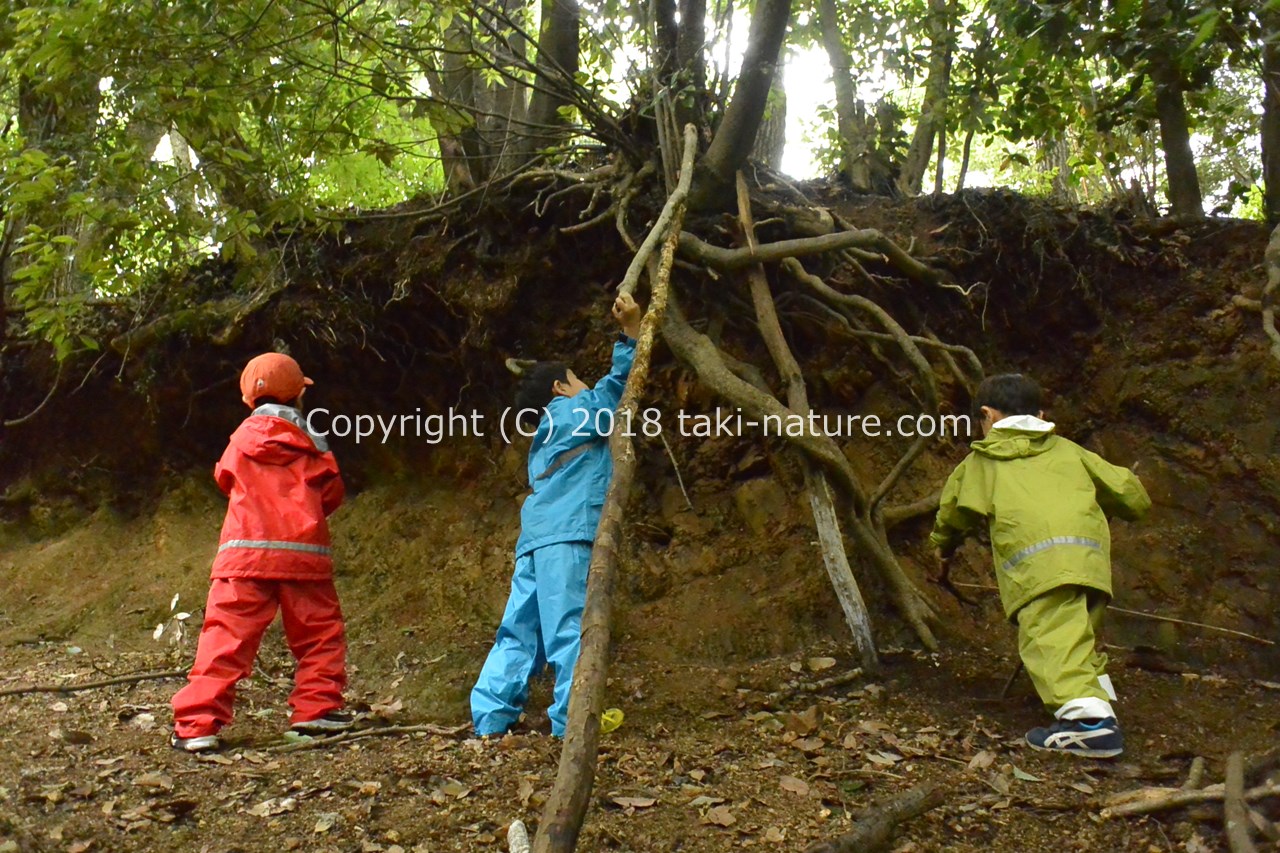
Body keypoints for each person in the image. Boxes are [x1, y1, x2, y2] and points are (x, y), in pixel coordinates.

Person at [929, 373, 1150, 758]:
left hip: (1037, 569)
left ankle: (1090, 725)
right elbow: (1132, 496)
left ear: (987, 416)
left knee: (1048, 639)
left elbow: (953, 514)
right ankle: (1097, 700)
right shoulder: (1069, 451)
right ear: (1041, 414)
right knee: (1077, 636)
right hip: (1088, 563)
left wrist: (942, 548)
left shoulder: (982, 463)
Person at [471, 292, 642, 738]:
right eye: (578, 379)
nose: (586, 385)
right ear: (560, 389)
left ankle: (490, 718)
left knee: (518, 630)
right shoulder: (576, 410)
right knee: (570, 626)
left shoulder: (542, 435)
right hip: (567, 535)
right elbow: (616, 386)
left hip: (534, 540)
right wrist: (632, 331)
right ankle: (572, 720)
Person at [170, 353, 352, 752]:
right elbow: (331, 492)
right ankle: (316, 711)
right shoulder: (312, 441)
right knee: (318, 635)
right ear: (299, 395)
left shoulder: (240, 441)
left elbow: (224, 479)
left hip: (243, 556)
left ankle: (198, 725)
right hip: (303, 556)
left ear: (247, 400)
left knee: (224, 640)